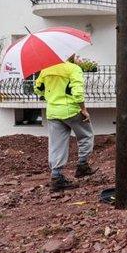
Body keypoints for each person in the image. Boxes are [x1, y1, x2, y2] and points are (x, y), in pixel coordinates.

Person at [34, 57, 95, 191]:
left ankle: (56, 177)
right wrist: (83, 109)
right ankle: (82, 165)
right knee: (86, 136)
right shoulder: (73, 69)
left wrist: (53, 96)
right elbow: (78, 93)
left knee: (56, 144)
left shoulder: (45, 69)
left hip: (53, 112)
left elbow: (38, 89)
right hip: (72, 111)